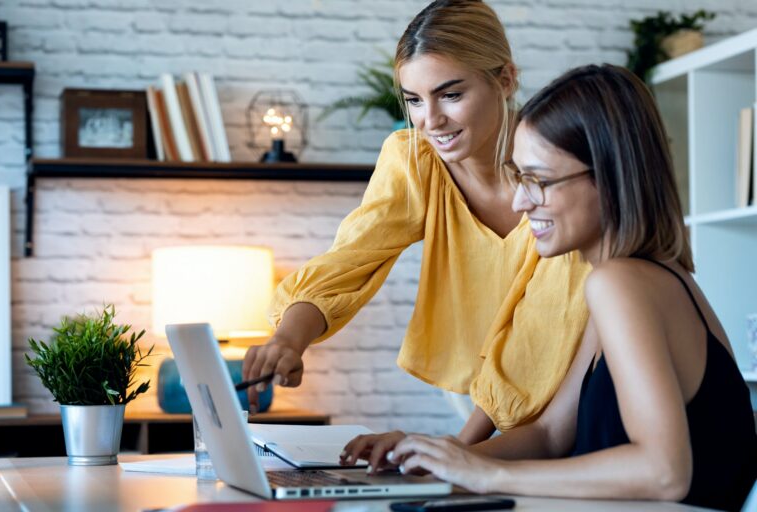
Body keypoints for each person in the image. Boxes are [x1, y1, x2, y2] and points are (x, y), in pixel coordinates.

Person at [383, 64, 757, 511]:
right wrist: (437, 462)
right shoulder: (642, 278)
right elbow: (550, 433)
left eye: (538, 180)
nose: (521, 203)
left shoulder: (620, 284)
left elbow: (664, 473)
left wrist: (487, 475)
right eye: (519, 178)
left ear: (609, 176)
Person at [243, 0, 590, 445]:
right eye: (414, 101)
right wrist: (289, 340)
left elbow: (548, 324)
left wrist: (459, 449)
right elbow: (353, 258)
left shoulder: (562, 170)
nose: (431, 120)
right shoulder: (417, 162)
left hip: (587, 399)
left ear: (505, 79)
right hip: (514, 427)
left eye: (450, 94)